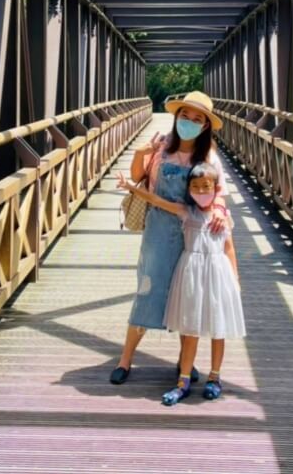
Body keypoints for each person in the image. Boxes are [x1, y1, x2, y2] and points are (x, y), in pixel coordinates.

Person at [110, 91, 232, 385]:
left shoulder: (208, 157)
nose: (188, 122)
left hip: (191, 235)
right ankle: (125, 359)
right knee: (147, 291)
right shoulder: (162, 147)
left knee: (186, 297)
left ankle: (184, 362)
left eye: (196, 119)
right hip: (157, 231)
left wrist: (217, 211)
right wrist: (142, 152)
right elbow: (138, 176)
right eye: (184, 116)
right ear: (176, 117)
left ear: (204, 126)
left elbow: (218, 196)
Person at [117, 162, 244, 405]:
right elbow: (158, 201)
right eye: (195, 188)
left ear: (216, 189)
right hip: (192, 276)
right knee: (190, 327)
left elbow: (229, 249)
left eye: (206, 187)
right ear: (189, 190)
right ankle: (183, 380)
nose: (200, 192)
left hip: (217, 275)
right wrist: (131, 187)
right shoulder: (187, 211)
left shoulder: (222, 218)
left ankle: (214, 377)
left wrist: (235, 281)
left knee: (219, 329)